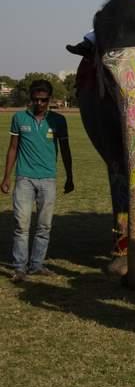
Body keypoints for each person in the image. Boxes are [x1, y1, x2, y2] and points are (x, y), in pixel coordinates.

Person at [2, 80, 73, 282]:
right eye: (35, 99)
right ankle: (19, 268)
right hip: (24, 178)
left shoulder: (59, 120)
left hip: (48, 179)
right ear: (30, 99)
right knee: (21, 225)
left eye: (43, 100)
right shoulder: (19, 118)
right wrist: (6, 176)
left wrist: (70, 176)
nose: (39, 103)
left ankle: (36, 265)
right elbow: (13, 148)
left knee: (44, 226)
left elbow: (66, 151)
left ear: (49, 99)